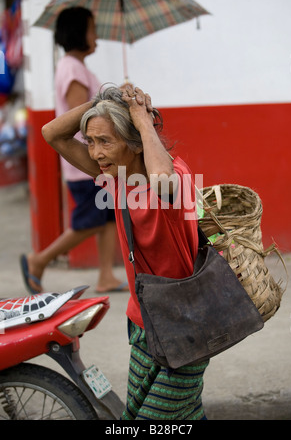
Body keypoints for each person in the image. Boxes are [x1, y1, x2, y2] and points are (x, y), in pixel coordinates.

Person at [41, 84, 209, 420]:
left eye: (105, 141)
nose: (95, 152)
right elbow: (52, 134)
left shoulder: (176, 177)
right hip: (143, 323)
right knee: (178, 416)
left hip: (186, 326)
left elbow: (161, 178)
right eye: (90, 141)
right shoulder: (117, 179)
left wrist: (141, 118)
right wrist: (108, 99)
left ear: (133, 144)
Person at [20, 7, 127, 295]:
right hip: (86, 162)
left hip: (91, 158)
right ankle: (39, 259)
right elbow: (83, 122)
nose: (96, 37)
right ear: (78, 33)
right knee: (90, 220)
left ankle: (106, 274)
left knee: (105, 215)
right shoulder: (73, 69)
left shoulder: (76, 66)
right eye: (92, 29)